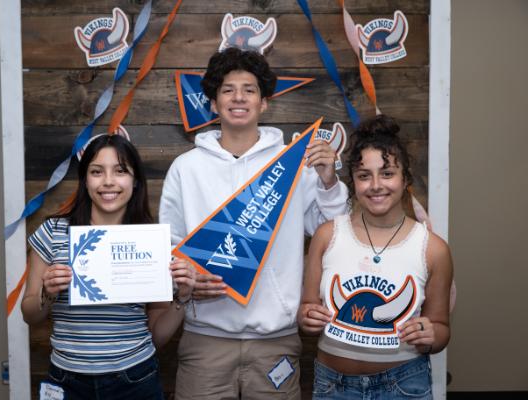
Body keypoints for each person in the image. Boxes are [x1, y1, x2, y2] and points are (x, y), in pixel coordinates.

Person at [159, 47, 348, 399]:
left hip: (275, 339)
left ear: (264, 102)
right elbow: (171, 246)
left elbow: (334, 236)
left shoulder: (294, 165)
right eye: (227, 89)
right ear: (213, 103)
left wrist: (328, 182)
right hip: (205, 338)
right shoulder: (186, 168)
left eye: (249, 89)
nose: (239, 97)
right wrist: (185, 279)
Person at [21, 134, 195, 400]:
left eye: (120, 171)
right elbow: (30, 314)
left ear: (135, 181)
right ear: (85, 180)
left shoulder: (150, 241)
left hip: (135, 379)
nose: (108, 182)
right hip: (67, 380)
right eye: (96, 172)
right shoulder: (53, 231)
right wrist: (48, 292)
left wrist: (183, 297)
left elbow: (157, 335)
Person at [298, 115, 453, 399]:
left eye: (387, 173)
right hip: (332, 384)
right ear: (354, 182)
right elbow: (307, 309)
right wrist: (308, 318)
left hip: (405, 384)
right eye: (364, 176)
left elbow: (441, 328)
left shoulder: (433, 249)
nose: (376, 185)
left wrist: (432, 336)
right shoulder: (326, 235)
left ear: (405, 178)